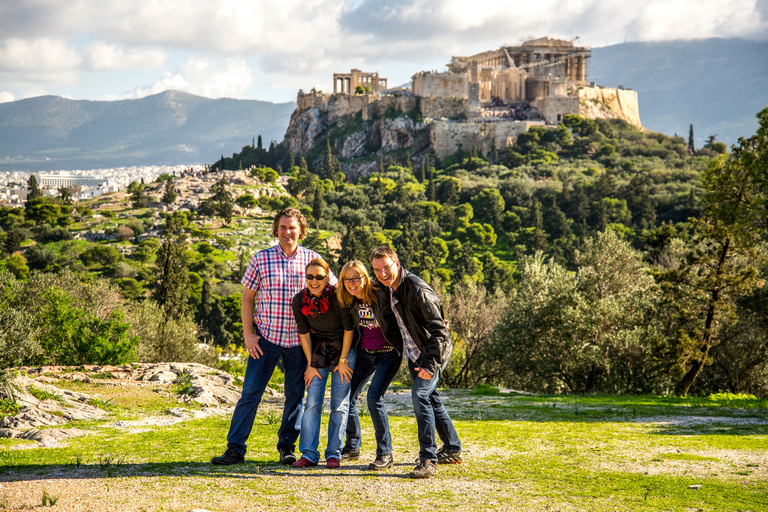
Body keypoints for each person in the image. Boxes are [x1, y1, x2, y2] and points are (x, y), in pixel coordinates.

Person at [211, 208, 335, 466]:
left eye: (292, 227)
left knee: (294, 396)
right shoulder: (261, 259)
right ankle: (235, 449)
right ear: (276, 229)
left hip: (301, 343)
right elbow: (247, 298)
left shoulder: (313, 260)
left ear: (301, 229)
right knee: (250, 394)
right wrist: (248, 335)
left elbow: (335, 290)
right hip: (266, 340)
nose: (287, 232)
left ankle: (286, 448)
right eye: (283, 227)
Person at [369, 246, 462, 479]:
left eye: (386, 268)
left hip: (432, 351)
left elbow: (440, 333)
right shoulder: (386, 287)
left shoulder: (417, 289)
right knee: (431, 397)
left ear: (397, 265)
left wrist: (431, 365)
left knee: (420, 395)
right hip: (413, 352)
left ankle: (428, 459)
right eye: (377, 270)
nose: (382, 273)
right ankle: (452, 448)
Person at [337, 260, 403, 471]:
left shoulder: (381, 293)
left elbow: (407, 306)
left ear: (365, 277)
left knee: (374, 398)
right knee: (349, 396)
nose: (352, 283)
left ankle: (385, 453)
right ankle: (353, 446)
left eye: (356, 278)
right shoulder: (349, 301)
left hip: (388, 353)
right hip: (365, 354)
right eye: (347, 279)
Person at [291, 258, 355, 469]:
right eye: (310, 277)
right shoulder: (299, 300)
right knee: (312, 402)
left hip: (343, 348)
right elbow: (304, 334)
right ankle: (309, 453)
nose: (314, 281)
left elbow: (349, 330)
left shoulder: (339, 297)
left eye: (319, 277)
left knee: (339, 404)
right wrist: (310, 364)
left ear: (328, 277)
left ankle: (333, 454)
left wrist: (344, 360)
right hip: (318, 350)